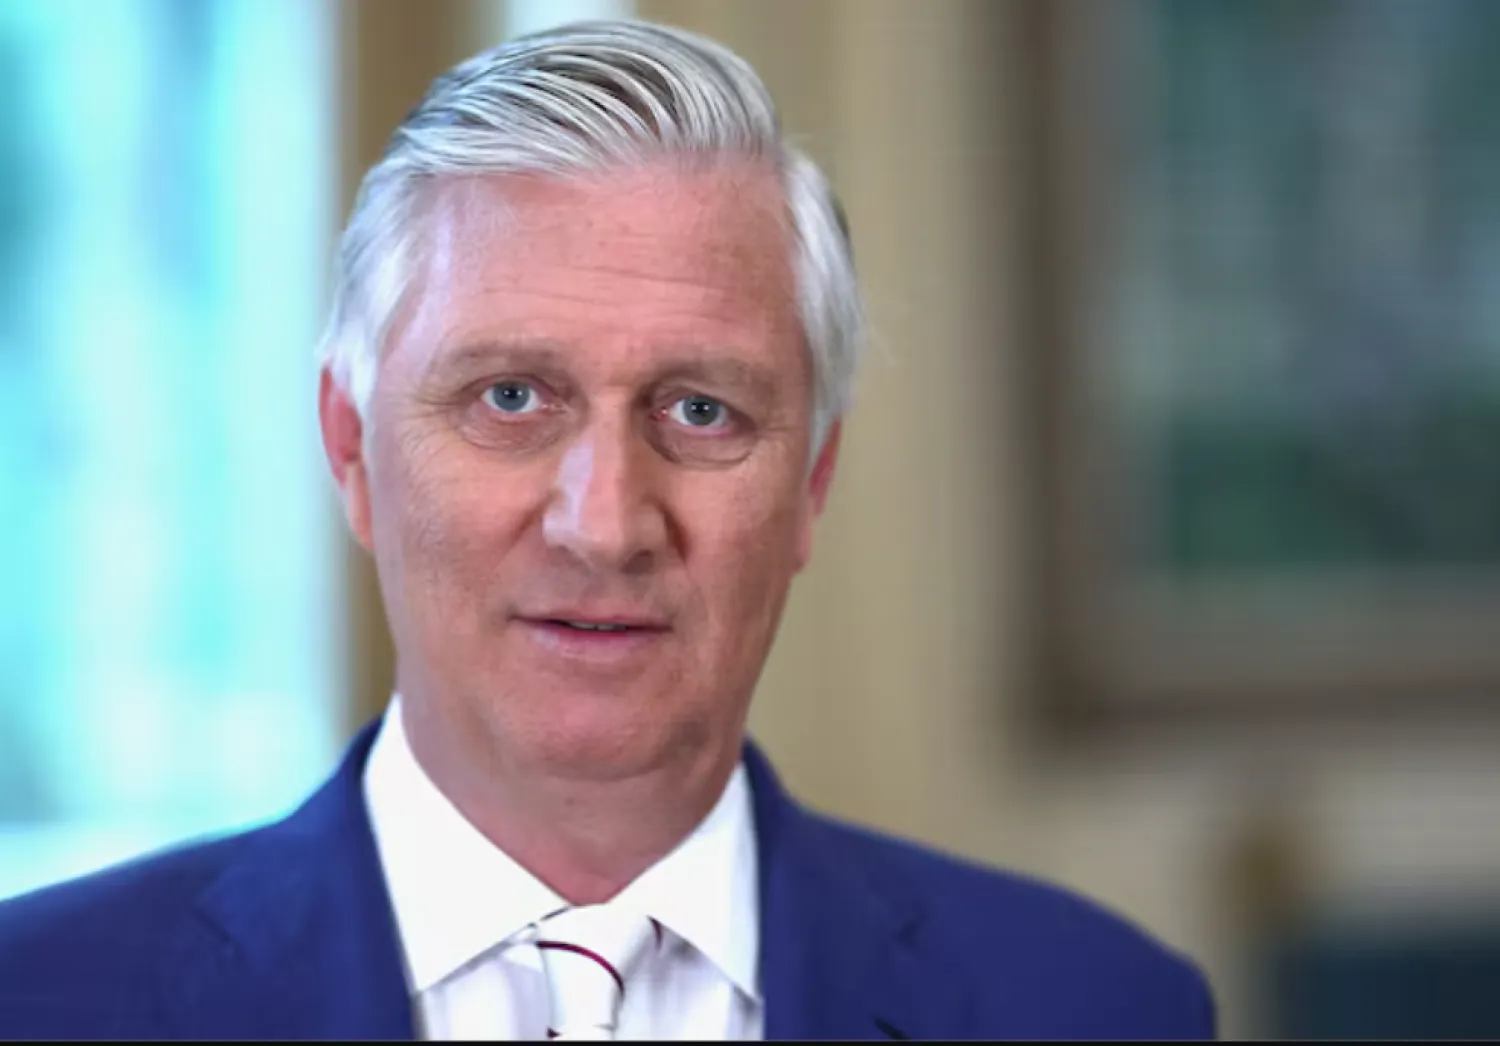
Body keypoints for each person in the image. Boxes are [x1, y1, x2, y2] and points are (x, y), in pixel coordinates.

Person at [0, 19, 1214, 1041]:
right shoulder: (40, 1000)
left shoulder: (1098, 1003)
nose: (604, 523)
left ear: (812, 484)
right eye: (511, 399)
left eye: (701, 410)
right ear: (353, 450)